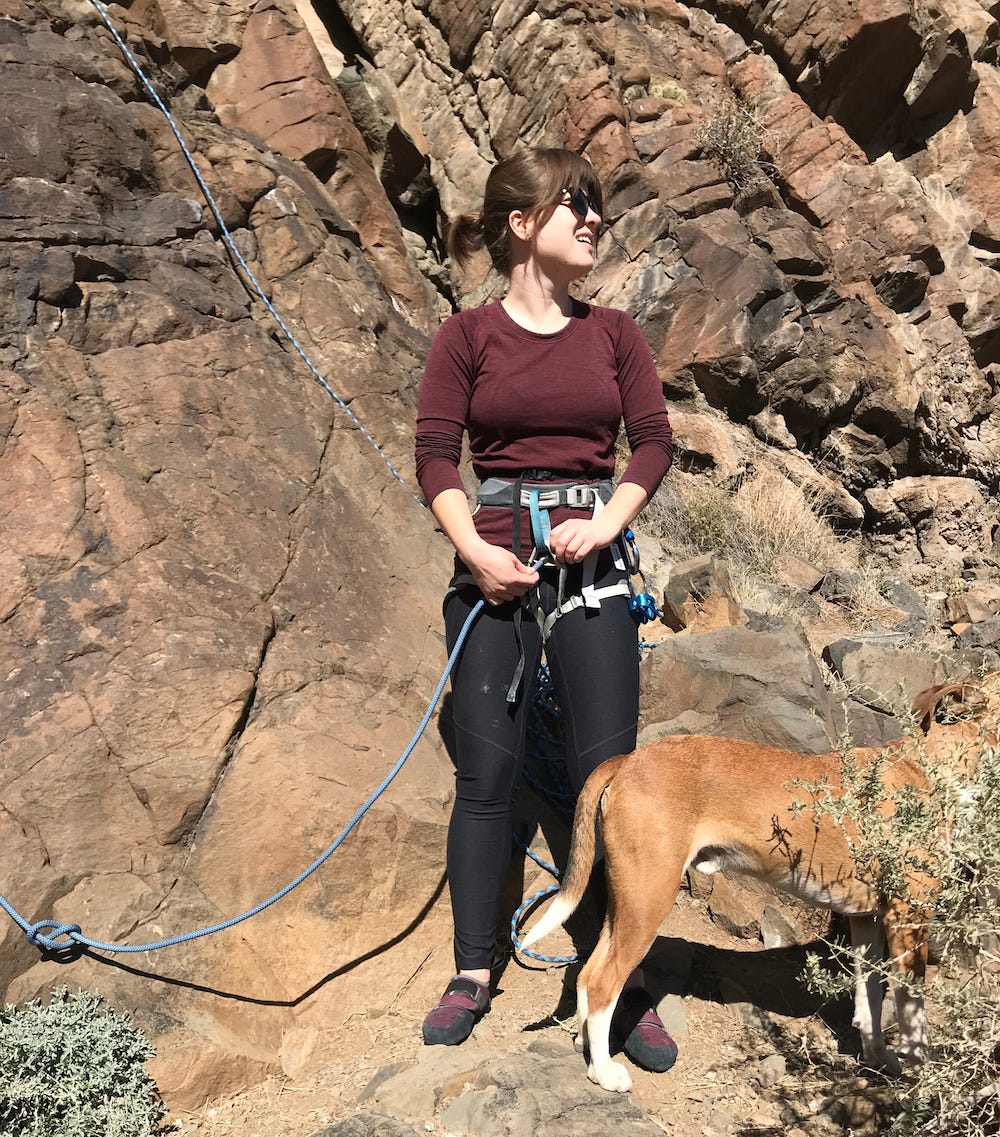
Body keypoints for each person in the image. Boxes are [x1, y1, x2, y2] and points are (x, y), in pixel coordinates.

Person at [414, 148, 675, 1070]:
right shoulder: (465, 338)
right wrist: (476, 554)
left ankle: (621, 976)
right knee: (485, 779)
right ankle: (472, 970)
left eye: (596, 207)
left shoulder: (615, 336)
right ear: (522, 223)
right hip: (494, 571)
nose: (595, 219)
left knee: (611, 784)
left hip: (594, 572)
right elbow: (436, 455)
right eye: (578, 204)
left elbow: (653, 442)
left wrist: (605, 521)